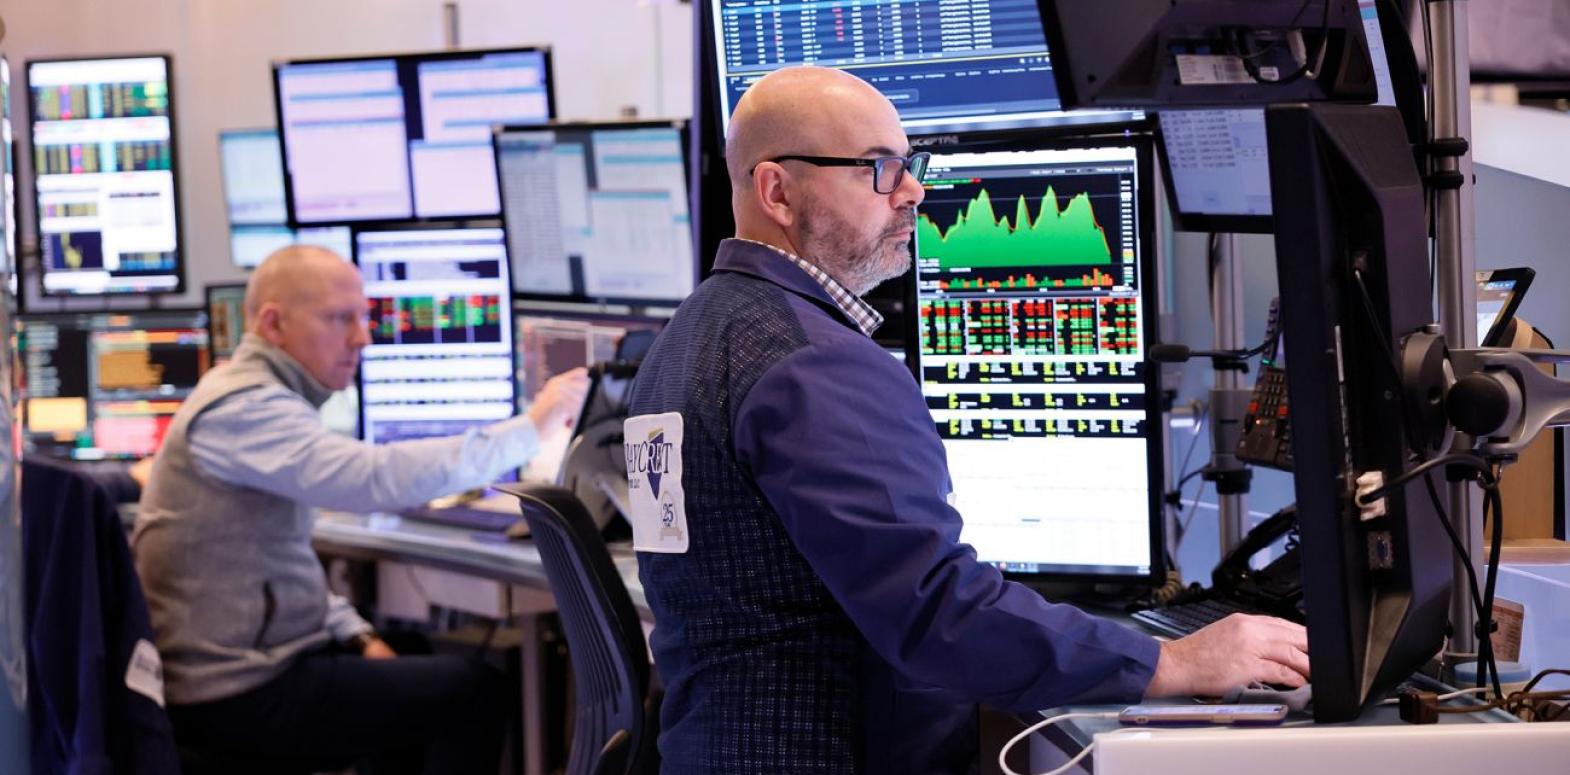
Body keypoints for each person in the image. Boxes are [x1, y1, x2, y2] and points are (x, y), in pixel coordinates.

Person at [623, 66, 1312, 774]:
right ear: (777, 190)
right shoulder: (815, 363)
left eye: (909, 164)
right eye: (879, 169)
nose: (912, 191)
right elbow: (935, 611)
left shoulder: (683, 342)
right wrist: (1170, 661)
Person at [133, 245, 588, 773]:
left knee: (417, 653)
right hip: (235, 692)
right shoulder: (245, 408)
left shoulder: (254, 395)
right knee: (474, 692)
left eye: (363, 318)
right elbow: (374, 478)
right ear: (273, 324)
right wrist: (530, 429)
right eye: (339, 318)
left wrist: (358, 634)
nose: (362, 338)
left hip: (248, 664)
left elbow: (281, 572)